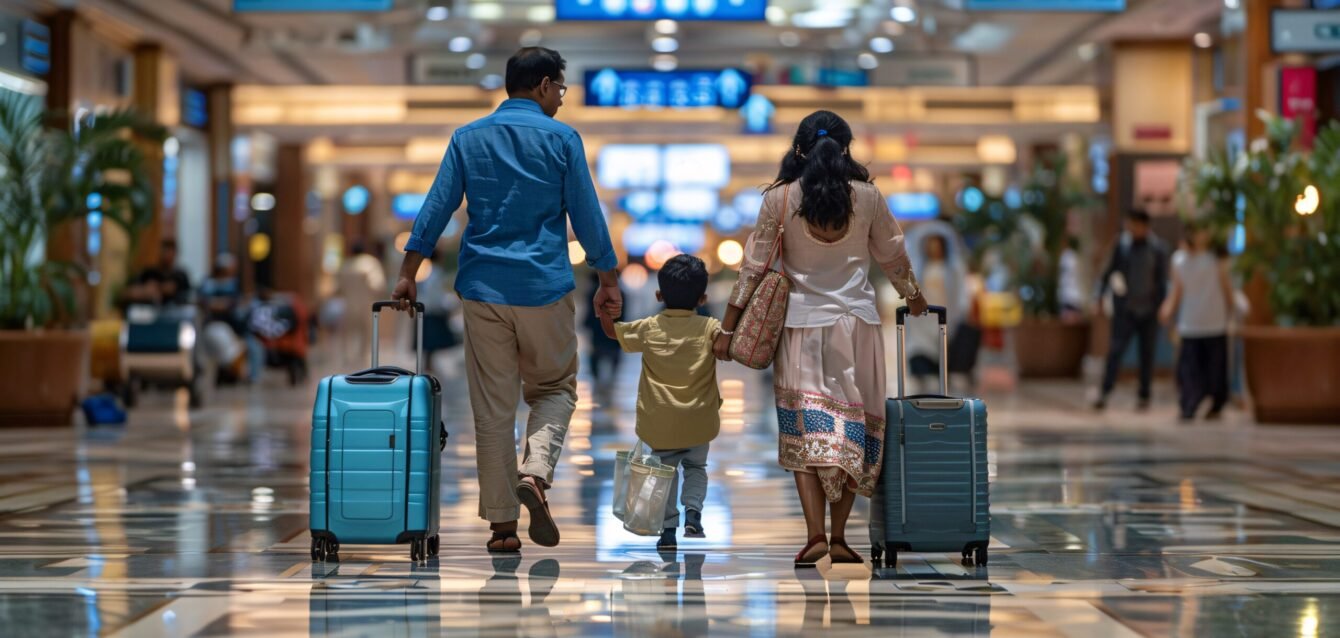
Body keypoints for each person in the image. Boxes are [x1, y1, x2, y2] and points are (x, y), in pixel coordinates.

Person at [391, 47, 622, 554]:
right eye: (560, 88)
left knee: (493, 408)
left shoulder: (467, 138)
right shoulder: (562, 139)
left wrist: (409, 272)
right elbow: (587, 215)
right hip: (544, 288)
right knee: (555, 388)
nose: (561, 99)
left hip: (484, 290)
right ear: (542, 85)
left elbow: (437, 207)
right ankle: (535, 473)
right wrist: (608, 278)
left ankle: (502, 526)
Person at [714, 111, 927, 566]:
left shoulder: (780, 200)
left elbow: (753, 267)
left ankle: (813, 535)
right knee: (856, 425)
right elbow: (894, 255)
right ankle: (840, 538)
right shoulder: (868, 198)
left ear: (798, 149)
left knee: (805, 429)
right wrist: (915, 297)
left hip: (799, 328)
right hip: (858, 327)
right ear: (846, 149)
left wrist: (728, 329)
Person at [599, 255, 721, 551]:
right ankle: (693, 512)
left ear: (659, 295)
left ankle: (668, 530)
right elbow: (730, 343)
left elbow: (612, 332)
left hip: (660, 422)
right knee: (696, 468)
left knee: (663, 474)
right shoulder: (709, 328)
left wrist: (605, 311)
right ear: (703, 297)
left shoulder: (650, 327)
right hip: (699, 420)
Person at [1094, 210, 1169, 411]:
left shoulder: (1157, 248)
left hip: (1149, 310)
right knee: (1115, 350)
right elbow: (1107, 272)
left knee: (1147, 353)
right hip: (1125, 309)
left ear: (1145, 226)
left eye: (1135, 225)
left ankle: (1144, 394)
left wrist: (1162, 305)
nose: (1131, 229)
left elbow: (1161, 281)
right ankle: (1105, 391)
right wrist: (1100, 296)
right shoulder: (1122, 246)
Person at [1160, 221, 1233, 421]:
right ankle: (1188, 404)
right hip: (1190, 323)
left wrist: (1231, 312)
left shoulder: (1216, 259)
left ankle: (1216, 403)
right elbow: (1177, 290)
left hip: (1215, 322)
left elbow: (1227, 289)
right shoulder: (1180, 260)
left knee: (1215, 370)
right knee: (1189, 369)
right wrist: (1168, 309)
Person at [336, 241, 386, 367]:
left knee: (347, 333)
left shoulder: (345, 265)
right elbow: (377, 285)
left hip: (348, 304)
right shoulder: (370, 263)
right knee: (366, 332)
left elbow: (338, 287)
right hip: (366, 303)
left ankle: (346, 358)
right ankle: (362, 359)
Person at [583, 271, 625, 396]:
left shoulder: (593, 293)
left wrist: (587, 324)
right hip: (615, 330)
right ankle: (610, 379)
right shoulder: (620, 293)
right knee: (613, 355)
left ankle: (597, 380)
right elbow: (624, 314)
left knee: (596, 355)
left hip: (598, 331)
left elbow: (590, 313)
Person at [124, 238, 193, 306]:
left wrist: (158, 288)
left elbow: (187, 295)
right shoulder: (149, 273)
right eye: (164, 251)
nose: (167, 255)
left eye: (170, 251)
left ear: (175, 253)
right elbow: (130, 290)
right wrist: (145, 291)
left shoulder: (181, 276)